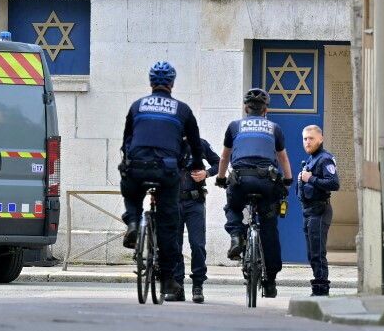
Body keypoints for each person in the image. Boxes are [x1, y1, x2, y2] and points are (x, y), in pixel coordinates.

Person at [120, 61, 205, 302]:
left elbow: (126, 140)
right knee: (169, 224)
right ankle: (168, 279)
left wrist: (127, 162)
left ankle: (134, 223)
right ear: (172, 83)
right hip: (167, 171)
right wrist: (197, 165)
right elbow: (196, 146)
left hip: (137, 167)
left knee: (131, 192)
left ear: (151, 83)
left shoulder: (137, 106)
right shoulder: (182, 110)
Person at [215, 88, 292, 298]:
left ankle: (237, 237)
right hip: (266, 183)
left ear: (245, 108)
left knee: (233, 207)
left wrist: (221, 178)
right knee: (269, 228)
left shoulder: (234, 126)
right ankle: (270, 282)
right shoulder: (274, 128)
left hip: (240, 181)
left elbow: (224, 158)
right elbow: (283, 158)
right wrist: (288, 180)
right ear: (266, 109)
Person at [171, 137, 221, 303]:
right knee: (174, 246)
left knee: (197, 244)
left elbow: (219, 163)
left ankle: (197, 285)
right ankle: (177, 287)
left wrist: (206, 173)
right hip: (173, 201)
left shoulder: (200, 144)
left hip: (194, 202)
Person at [297, 124, 339, 296]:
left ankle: (321, 291)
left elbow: (334, 183)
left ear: (320, 139)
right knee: (312, 253)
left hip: (319, 211)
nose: (307, 142)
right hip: (308, 211)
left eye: (311, 138)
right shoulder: (311, 159)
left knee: (318, 253)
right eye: (305, 139)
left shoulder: (324, 158)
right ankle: (317, 288)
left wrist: (310, 178)